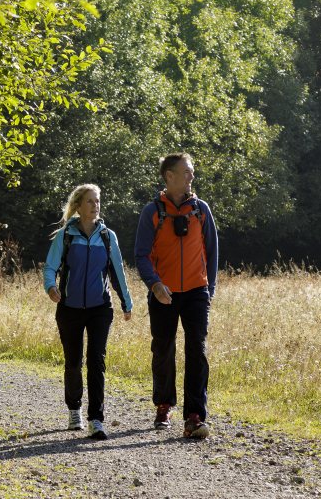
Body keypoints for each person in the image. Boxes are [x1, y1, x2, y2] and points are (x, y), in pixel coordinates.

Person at [134, 153, 218, 439]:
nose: (191, 176)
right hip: (163, 292)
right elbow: (141, 255)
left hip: (196, 290)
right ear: (169, 176)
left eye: (192, 171)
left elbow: (212, 252)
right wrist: (155, 285)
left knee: (197, 349)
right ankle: (164, 404)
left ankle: (194, 416)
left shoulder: (201, 210)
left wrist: (210, 290)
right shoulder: (152, 212)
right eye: (186, 172)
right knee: (163, 348)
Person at [43, 184, 134, 440]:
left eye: (98, 201)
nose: (95, 205)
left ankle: (97, 419)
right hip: (69, 308)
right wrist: (51, 287)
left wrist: (126, 303)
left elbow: (118, 272)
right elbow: (50, 268)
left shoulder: (107, 237)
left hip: (100, 309)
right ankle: (75, 410)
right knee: (73, 362)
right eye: (90, 201)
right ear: (79, 206)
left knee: (97, 361)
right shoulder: (66, 236)